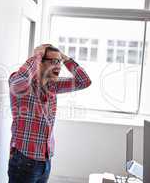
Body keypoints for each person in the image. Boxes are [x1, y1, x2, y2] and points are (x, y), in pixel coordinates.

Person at [8, 44, 92, 183]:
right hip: (24, 161)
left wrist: (65, 59)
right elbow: (19, 80)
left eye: (59, 62)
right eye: (53, 62)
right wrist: (36, 56)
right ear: (39, 63)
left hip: (45, 162)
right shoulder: (22, 85)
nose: (58, 66)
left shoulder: (53, 86)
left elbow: (84, 81)